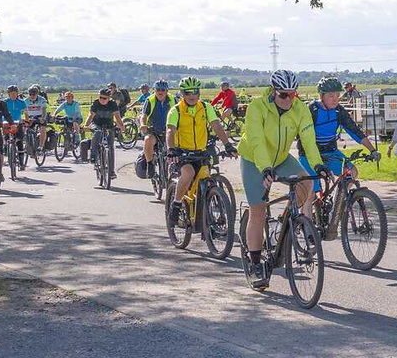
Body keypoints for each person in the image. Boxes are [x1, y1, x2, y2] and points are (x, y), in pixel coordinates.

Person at [236, 70, 328, 290]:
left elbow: (309, 140)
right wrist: (265, 168)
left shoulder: (299, 109)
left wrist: (318, 165)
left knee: (306, 183)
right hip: (254, 159)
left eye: (292, 94)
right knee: (258, 210)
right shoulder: (257, 107)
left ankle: (285, 223)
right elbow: (257, 141)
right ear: (273, 92)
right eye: (283, 95)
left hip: (281, 158)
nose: (289, 99)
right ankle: (255, 264)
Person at [165, 77, 236, 225]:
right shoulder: (175, 110)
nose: (192, 95)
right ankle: (176, 204)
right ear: (182, 94)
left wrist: (228, 145)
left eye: (195, 92)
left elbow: (217, 126)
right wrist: (171, 149)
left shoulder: (205, 107)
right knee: (189, 173)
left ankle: (205, 213)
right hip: (182, 152)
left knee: (206, 176)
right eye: (188, 92)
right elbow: (170, 131)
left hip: (201, 151)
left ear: (199, 93)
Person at [309, 77, 376, 191]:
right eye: (331, 96)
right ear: (321, 96)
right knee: (313, 190)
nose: (335, 99)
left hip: (330, 152)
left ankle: (340, 200)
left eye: (337, 95)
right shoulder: (312, 110)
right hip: (310, 154)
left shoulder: (338, 110)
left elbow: (355, 131)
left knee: (352, 172)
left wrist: (373, 150)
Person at [140, 79, 173, 177]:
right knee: (148, 140)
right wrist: (143, 125)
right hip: (153, 129)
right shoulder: (150, 100)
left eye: (163, 90)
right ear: (154, 90)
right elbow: (144, 115)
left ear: (167, 91)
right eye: (158, 89)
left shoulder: (172, 100)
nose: (160, 92)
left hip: (169, 130)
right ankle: (150, 164)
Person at [88, 87, 123, 166]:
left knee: (110, 146)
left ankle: (111, 170)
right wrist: (86, 125)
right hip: (96, 124)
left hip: (109, 125)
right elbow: (91, 115)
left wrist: (122, 126)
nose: (102, 99)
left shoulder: (113, 104)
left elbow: (117, 116)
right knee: (97, 132)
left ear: (109, 98)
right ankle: (93, 155)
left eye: (104, 98)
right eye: (100, 97)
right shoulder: (96, 103)